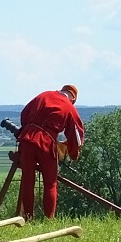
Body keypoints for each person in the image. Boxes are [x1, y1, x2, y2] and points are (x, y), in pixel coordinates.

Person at [16, 84, 84, 219]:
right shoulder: (69, 107)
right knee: (50, 184)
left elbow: (24, 113)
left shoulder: (44, 95)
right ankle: (49, 219)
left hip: (27, 141)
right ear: (73, 98)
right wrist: (73, 154)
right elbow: (76, 135)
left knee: (27, 181)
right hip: (46, 144)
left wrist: (27, 128)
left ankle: (27, 218)